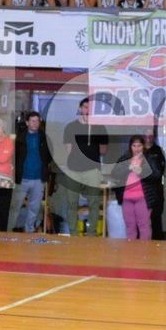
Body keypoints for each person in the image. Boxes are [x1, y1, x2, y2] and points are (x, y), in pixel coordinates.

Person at [58, 98, 107, 236]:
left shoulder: (99, 127)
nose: (88, 110)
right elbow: (68, 149)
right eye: (85, 107)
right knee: (72, 202)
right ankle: (73, 232)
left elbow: (103, 150)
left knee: (94, 202)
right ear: (80, 108)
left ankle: (91, 233)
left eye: (91, 108)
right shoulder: (70, 127)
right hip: (74, 169)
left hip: (92, 170)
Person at [112, 134, 166, 240]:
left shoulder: (149, 158)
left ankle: (144, 253)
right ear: (130, 147)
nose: (137, 149)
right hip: (127, 199)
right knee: (130, 227)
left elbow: (157, 174)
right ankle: (131, 254)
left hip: (143, 199)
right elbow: (115, 173)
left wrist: (142, 172)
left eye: (139, 146)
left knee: (144, 227)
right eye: (134, 146)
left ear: (143, 146)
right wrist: (128, 167)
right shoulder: (125, 158)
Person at [10, 110, 51, 232]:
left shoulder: (44, 138)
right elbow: (13, 156)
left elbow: (49, 156)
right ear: (27, 123)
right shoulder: (19, 138)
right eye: (32, 121)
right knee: (15, 207)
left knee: (35, 207)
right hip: (22, 178)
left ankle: (29, 230)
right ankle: (9, 230)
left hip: (39, 178)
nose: (35, 123)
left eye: (37, 121)